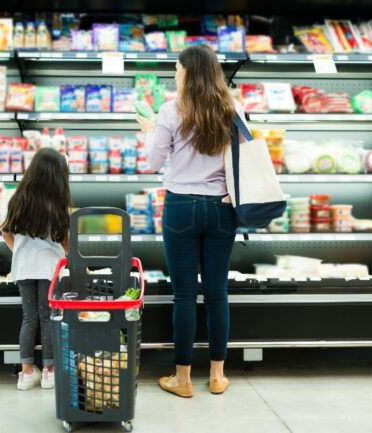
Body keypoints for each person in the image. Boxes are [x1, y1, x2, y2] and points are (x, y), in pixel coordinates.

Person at [136, 44, 248, 398]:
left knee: (184, 295)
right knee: (217, 293)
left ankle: (182, 379)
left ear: (188, 72)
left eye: (177, 69)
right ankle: (217, 375)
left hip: (181, 207)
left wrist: (148, 132)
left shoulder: (171, 110)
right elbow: (244, 158)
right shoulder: (233, 108)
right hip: (221, 208)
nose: (174, 74)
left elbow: (153, 161)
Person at [1, 147, 71, 391]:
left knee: (29, 319)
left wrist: (19, 255)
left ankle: (26, 373)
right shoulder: (57, 204)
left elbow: (6, 232)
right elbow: (65, 241)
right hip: (49, 270)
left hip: (24, 269)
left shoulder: (18, 200)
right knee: (49, 318)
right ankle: (50, 372)